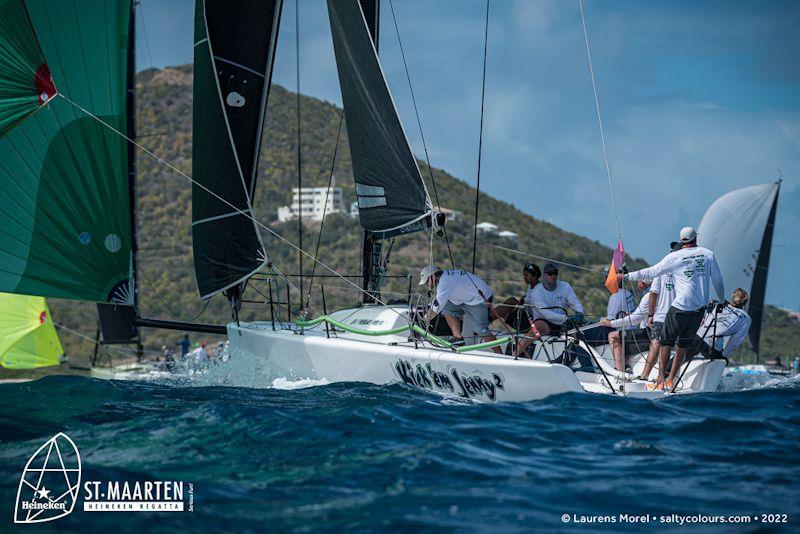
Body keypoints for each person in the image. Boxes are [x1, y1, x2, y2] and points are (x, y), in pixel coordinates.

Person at [619, 227, 724, 390]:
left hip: (680, 307)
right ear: (696, 238)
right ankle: (671, 379)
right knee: (683, 345)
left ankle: (660, 380)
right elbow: (718, 280)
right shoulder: (708, 254)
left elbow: (651, 271)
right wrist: (722, 300)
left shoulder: (674, 256)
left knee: (665, 342)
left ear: (682, 241)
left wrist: (626, 276)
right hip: (699, 310)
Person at [419, 265, 501, 352]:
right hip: (467, 299)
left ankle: (500, 354)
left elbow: (437, 306)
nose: (427, 284)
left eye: (427, 281)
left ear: (433, 276)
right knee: (446, 308)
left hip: (480, 299)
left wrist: (424, 319)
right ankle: (458, 338)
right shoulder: (445, 277)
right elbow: (439, 300)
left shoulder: (444, 283)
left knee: (481, 330)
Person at [639, 241, 681, 382]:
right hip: (675, 315)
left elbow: (653, 293)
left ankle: (644, 375)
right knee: (668, 344)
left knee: (656, 343)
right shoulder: (684, 271)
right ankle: (661, 377)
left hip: (660, 316)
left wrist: (651, 314)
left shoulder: (661, 268)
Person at [600, 280, 651, 373]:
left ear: (642, 283)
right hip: (648, 332)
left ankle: (619, 371)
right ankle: (626, 365)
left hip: (648, 334)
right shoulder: (629, 293)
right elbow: (639, 315)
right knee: (623, 334)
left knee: (612, 336)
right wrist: (631, 315)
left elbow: (635, 319)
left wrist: (610, 323)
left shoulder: (648, 296)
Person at [686, 288, 752, 360]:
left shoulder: (720, 305)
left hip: (698, 336)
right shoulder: (746, 319)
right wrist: (724, 355)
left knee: (680, 357)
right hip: (713, 345)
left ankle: (673, 367)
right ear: (746, 301)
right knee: (721, 361)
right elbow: (735, 341)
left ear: (733, 296)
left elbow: (707, 323)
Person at [495, 263, 540, 332]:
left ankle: (487, 321)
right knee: (504, 309)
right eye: (524, 275)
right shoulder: (530, 286)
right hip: (526, 318)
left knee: (511, 300)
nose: (524, 277)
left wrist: (522, 301)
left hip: (531, 323)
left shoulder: (539, 289)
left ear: (534, 277)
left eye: (527, 275)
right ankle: (488, 319)